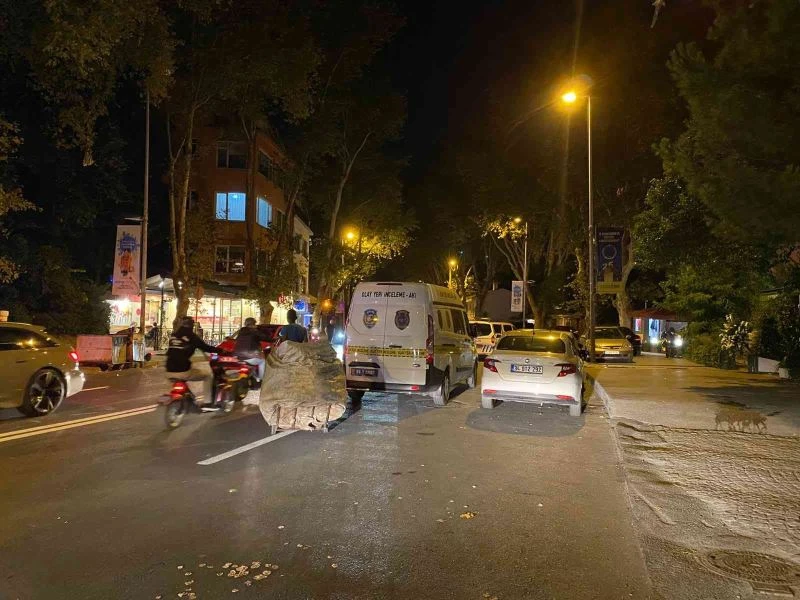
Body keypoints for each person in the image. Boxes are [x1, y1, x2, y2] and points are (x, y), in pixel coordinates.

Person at [166, 316, 225, 404]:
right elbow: (206, 348)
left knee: (188, 374)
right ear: (192, 325)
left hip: (168, 370)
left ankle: (188, 397)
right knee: (208, 376)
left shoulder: (173, 335)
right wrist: (221, 350)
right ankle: (208, 402)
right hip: (183, 370)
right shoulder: (192, 337)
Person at [233, 317, 271, 381]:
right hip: (250, 356)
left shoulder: (241, 331)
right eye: (255, 324)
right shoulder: (254, 331)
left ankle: (253, 374)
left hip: (238, 356)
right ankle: (261, 379)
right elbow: (266, 338)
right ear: (253, 324)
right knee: (262, 361)